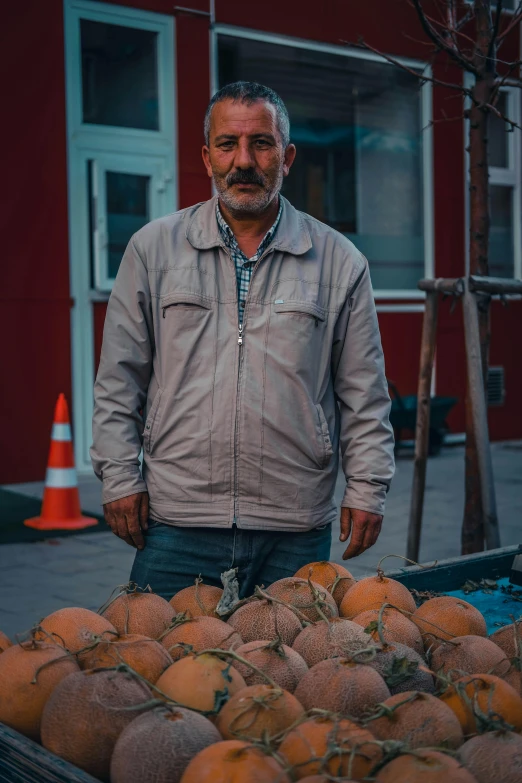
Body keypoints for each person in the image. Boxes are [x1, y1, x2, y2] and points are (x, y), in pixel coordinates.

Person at [91, 81, 395, 600]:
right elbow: (119, 380)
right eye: (228, 144)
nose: (244, 161)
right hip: (177, 522)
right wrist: (120, 479)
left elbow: (363, 393)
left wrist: (367, 488)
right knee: (162, 674)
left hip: (294, 524)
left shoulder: (340, 261)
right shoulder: (153, 249)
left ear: (287, 155)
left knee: (284, 676)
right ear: (206, 157)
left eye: (261, 143)